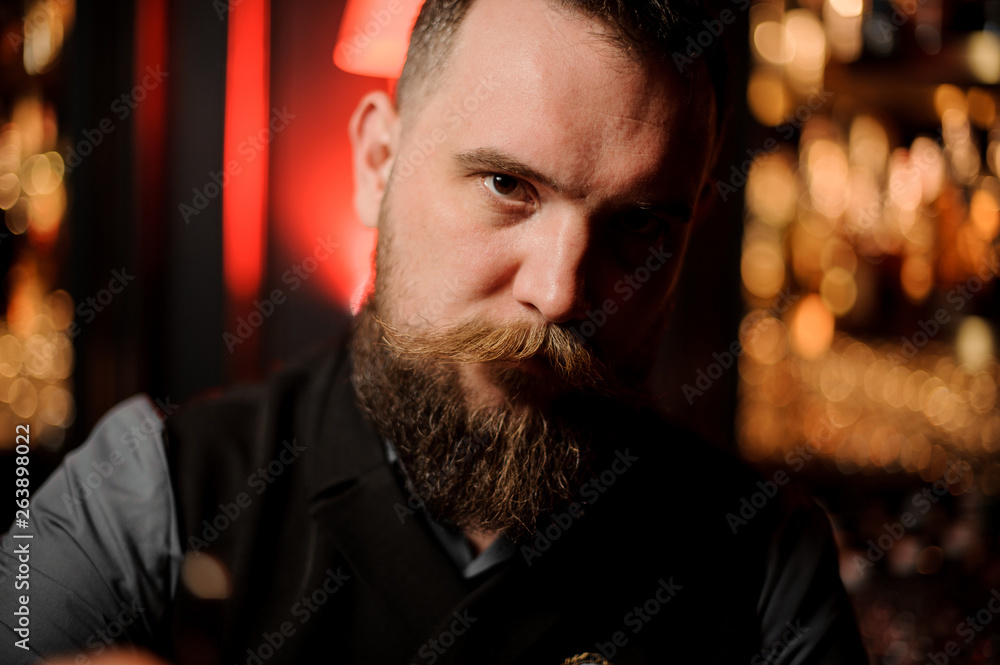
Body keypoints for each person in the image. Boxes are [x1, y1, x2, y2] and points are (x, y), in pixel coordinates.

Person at [1, 0, 868, 663]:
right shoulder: (149, 496)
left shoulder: (764, 567)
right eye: (506, 184)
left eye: (641, 225)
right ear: (376, 166)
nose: (562, 291)